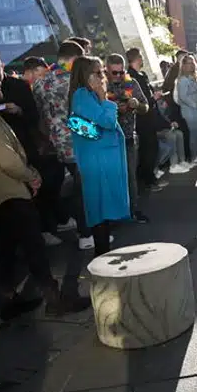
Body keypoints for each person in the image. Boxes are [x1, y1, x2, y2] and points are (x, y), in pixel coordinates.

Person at [0, 60, 69, 314]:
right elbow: (4, 156)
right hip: (6, 191)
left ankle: (7, 299)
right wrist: (30, 175)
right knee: (33, 245)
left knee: (6, 248)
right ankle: (54, 299)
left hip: (3, 191)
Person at [68, 56, 130, 255]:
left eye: (103, 71)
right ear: (86, 75)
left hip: (100, 158)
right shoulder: (83, 95)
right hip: (97, 161)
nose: (103, 76)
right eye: (98, 72)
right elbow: (107, 122)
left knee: (102, 212)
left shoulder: (86, 95)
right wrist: (104, 98)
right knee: (99, 211)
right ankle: (102, 262)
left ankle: (103, 256)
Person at [31, 41, 90, 249]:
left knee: (52, 187)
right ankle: (86, 234)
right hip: (75, 142)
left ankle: (51, 227)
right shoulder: (72, 81)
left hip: (51, 143)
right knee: (83, 189)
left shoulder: (40, 82)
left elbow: (38, 113)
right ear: (75, 59)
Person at [106, 53, 151, 221]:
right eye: (114, 72)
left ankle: (133, 210)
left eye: (120, 72)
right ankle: (114, 214)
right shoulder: (100, 84)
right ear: (107, 70)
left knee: (131, 177)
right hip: (108, 140)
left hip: (128, 137)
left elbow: (145, 106)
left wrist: (136, 104)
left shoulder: (131, 83)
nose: (117, 76)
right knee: (112, 177)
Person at [125, 48, 163, 191]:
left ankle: (149, 177)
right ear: (138, 58)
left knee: (152, 148)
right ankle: (148, 181)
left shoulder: (143, 75)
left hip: (149, 115)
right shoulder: (130, 77)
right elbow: (139, 99)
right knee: (147, 149)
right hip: (141, 118)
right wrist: (153, 98)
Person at [173, 55, 197, 166]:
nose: (191, 65)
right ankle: (194, 157)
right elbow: (182, 96)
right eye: (188, 63)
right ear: (183, 66)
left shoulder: (193, 78)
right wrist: (195, 104)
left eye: (193, 62)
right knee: (194, 134)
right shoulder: (182, 80)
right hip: (189, 111)